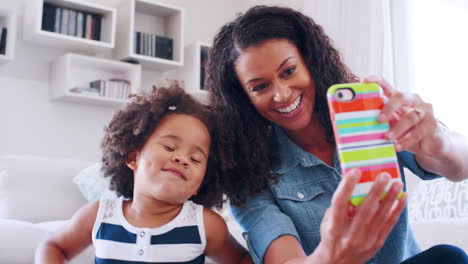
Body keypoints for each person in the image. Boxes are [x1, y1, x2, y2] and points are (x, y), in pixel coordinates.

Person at [205, 5, 468, 264]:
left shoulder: (369, 115)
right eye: (261, 86)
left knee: (449, 257)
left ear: (310, 61)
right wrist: (331, 254)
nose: (282, 94)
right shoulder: (250, 172)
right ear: (244, 99)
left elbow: (460, 167)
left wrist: (438, 142)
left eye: (288, 71)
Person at [35, 84, 252, 264]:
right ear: (132, 158)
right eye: (169, 147)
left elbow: (243, 260)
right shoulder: (100, 215)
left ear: (201, 183)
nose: (182, 158)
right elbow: (53, 246)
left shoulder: (205, 225)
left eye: (195, 159)